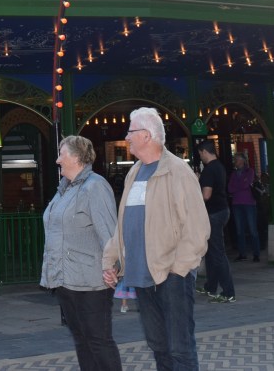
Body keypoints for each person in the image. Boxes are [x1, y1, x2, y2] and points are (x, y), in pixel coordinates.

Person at [103, 108, 209, 371]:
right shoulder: (134, 172)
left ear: (146, 135)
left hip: (172, 276)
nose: (126, 137)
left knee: (179, 349)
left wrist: (178, 270)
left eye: (130, 131)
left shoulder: (178, 171)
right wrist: (111, 260)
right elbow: (123, 225)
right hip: (141, 276)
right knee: (158, 346)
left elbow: (197, 228)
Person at [41, 135, 120, 371]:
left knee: (98, 341)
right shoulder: (64, 190)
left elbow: (109, 232)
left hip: (91, 282)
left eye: (62, 154)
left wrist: (113, 267)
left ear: (76, 157)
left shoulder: (95, 186)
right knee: (82, 340)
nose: (57, 160)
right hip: (66, 279)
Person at [197, 141, 235, 302]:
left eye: (200, 154)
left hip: (213, 213)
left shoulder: (208, 170)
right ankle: (210, 287)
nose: (200, 157)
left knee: (218, 252)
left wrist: (194, 195)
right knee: (211, 251)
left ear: (204, 152)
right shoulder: (220, 167)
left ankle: (228, 292)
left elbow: (206, 195)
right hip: (223, 210)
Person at [227, 152, 261, 262]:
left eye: (237, 159)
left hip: (249, 203)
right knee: (239, 230)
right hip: (236, 204)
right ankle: (242, 254)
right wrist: (241, 185)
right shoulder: (233, 173)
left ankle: (256, 254)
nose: (235, 161)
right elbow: (229, 188)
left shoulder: (250, 171)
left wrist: (237, 187)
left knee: (252, 229)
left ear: (243, 160)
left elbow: (246, 184)